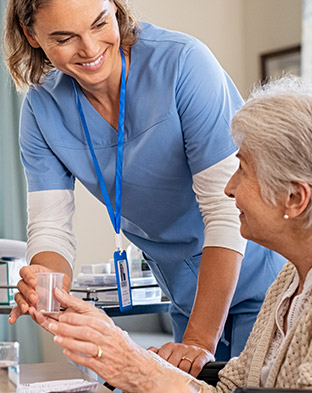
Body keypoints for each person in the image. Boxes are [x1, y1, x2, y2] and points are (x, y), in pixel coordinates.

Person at [3, 0, 285, 371]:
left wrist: (199, 341)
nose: (89, 49)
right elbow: (51, 229)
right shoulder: (42, 108)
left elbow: (225, 211)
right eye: (65, 37)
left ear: (116, 8)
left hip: (262, 279)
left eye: (100, 23)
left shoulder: (183, 65)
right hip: (186, 295)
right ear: (31, 35)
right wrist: (44, 277)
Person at [30, 75, 312, 392]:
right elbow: (228, 388)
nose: (229, 188)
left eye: (243, 170)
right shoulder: (288, 284)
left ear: (294, 198)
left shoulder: (182, 65)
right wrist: (122, 347)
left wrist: (137, 368)